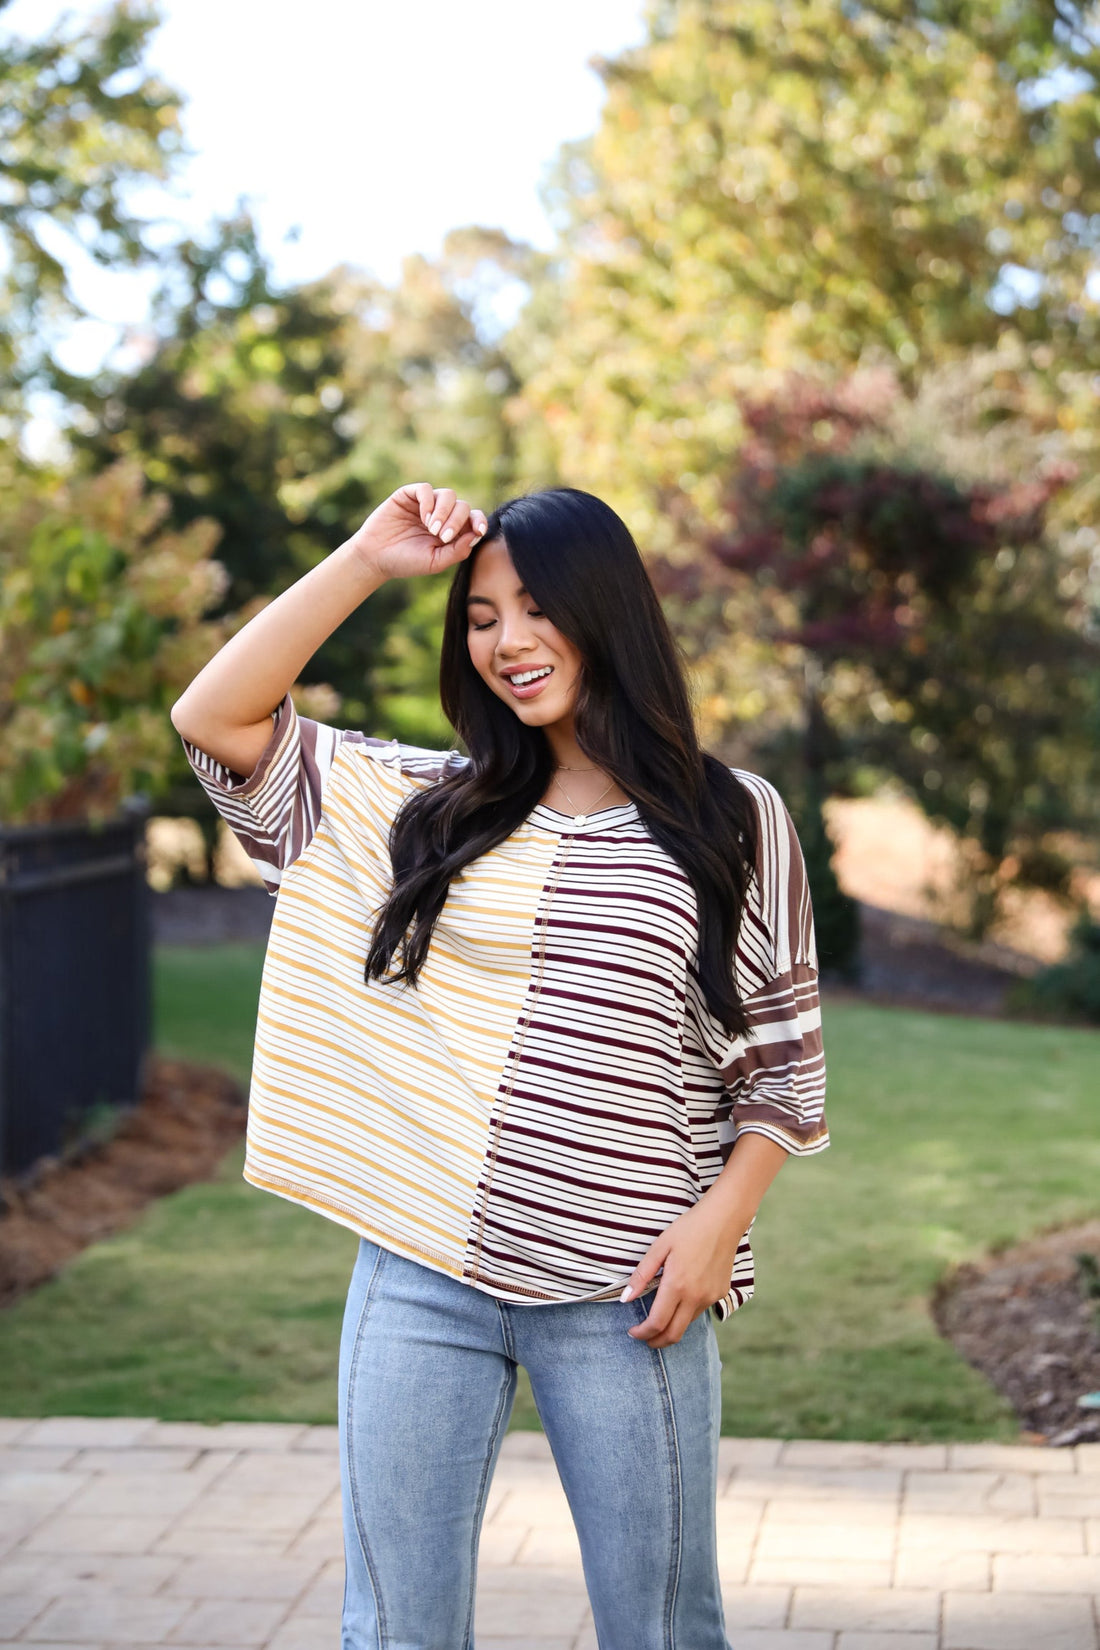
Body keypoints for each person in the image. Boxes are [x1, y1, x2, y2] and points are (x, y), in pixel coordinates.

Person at [171, 481, 829, 1650]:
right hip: (420, 1277)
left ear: (606, 611)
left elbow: (779, 1062)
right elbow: (213, 717)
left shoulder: (730, 816)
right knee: (397, 1631)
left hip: (630, 1293)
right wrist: (369, 557)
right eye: (479, 618)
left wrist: (719, 1224)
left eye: (535, 609)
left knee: (665, 1628)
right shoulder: (417, 803)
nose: (508, 643)